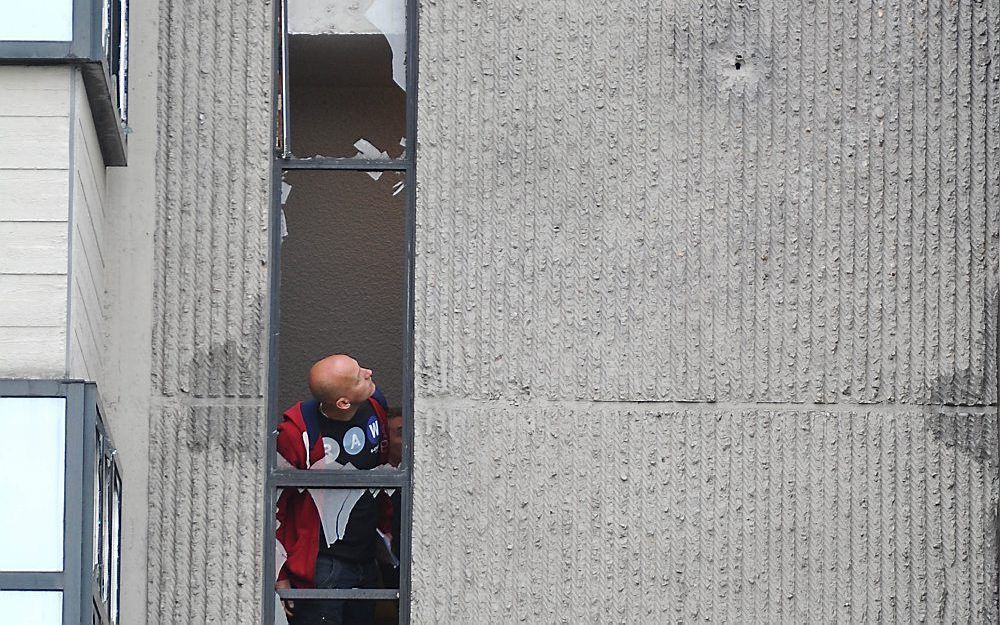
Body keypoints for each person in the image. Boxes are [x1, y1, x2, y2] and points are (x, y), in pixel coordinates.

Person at [275, 354, 391, 625]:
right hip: (322, 564)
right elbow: (276, 505)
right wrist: (280, 574)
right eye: (358, 375)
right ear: (342, 402)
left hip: (366, 556)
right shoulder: (297, 435)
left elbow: (383, 475)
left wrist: (386, 532)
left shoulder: (375, 405)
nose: (369, 371)